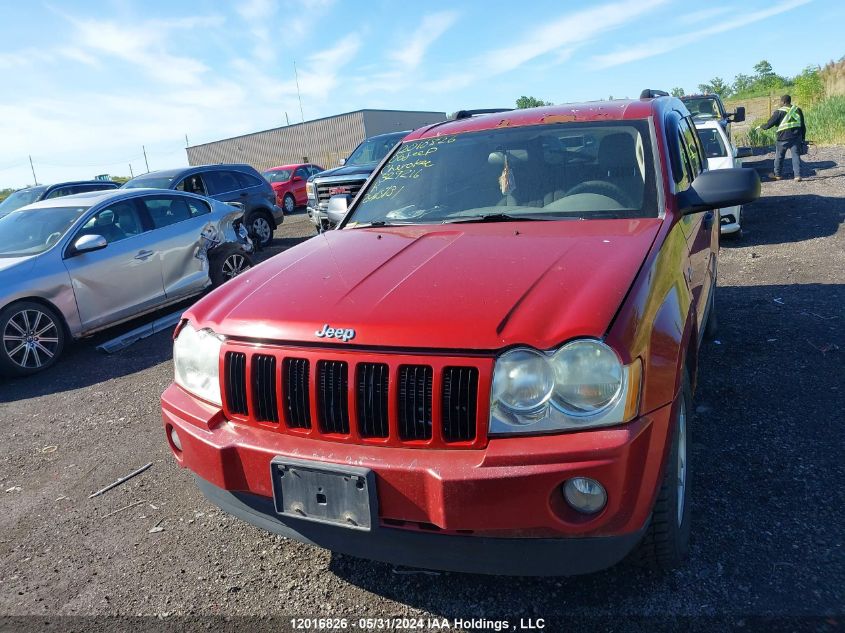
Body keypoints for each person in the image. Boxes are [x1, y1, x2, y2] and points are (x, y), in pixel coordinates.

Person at [757, 94, 806, 181]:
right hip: (796, 137)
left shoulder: (779, 111)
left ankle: (777, 175)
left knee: (779, 157)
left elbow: (769, 124)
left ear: (783, 102)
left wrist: (761, 126)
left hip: (783, 138)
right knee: (796, 156)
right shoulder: (797, 110)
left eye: (780, 101)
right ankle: (797, 176)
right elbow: (803, 126)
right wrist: (803, 139)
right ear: (789, 101)